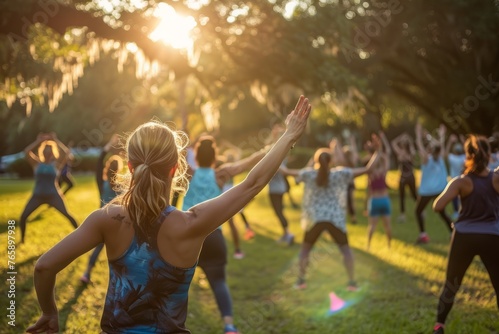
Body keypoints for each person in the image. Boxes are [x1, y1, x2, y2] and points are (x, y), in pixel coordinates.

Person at [26, 96, 311, 334]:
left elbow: (44, 267)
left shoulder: (107, 218)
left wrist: (50, 313)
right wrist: (288, 136)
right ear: (176, 168)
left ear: (129, 165)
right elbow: (253, 183)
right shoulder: (193, 223)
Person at [182, 135, 269, 333]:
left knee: (178, 284)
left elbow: (174, 155)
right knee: (219, 282)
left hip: (188, 236)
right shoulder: (221, 175)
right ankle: (229, 326)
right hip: (213, 237)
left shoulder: (188, 173)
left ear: (196, 155)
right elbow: (249, 162)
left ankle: (168, 324)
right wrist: (272, 147)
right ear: (215, 156)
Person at [284, 139, 380, 293]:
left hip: (314, 219)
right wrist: (378, 151)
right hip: (335, 219)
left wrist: (275, 151)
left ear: (315, 160)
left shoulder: (308, 174)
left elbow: (285, 172)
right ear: (332, 160)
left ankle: (301, 281)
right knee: (345, 250)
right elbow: (368, 169)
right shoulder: (340, 174)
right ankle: (352, 282)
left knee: (305, 250)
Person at [431, 135, 499, 334]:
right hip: (492, 238)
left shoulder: (461, 182)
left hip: (464, 237)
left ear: (467, 156)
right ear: (488, 155)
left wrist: (452, 223)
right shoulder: (496, 179)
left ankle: (439, 326)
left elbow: (438, 205)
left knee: (451, 284)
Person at [19, 132, 78, 244]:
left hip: (53, 196)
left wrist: (55, 140)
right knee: (23, 217)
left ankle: (81, 236)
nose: (47, 152)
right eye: (45, 149)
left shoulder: (56, 164)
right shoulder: (36, 163)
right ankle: (22, 241)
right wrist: (39, 141)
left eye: (49, 150)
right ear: (42, 151)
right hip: (37, 196)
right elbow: (26, 152)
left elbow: (66, 152)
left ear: (52, 153)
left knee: (67, 215)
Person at [80, 135, 123, 284]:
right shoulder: (122, 187)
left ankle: (86, 273)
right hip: (118, 224)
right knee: (119, 253)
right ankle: (119, 280)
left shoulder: (102, 183)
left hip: (102, 222)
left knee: (98, 248)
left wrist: (107, 148)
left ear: (107, 168)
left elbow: (98, 164)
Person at [414, 123, 453, 244]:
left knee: (418, 211)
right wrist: (442, 135)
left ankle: (423, 235)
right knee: (442, 213)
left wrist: (418, 134)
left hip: (427, 191)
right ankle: (454, 232)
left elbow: (420, 146)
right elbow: (439, 146)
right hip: (439, 190)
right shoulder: (440, 158)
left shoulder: (426, 159)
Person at [267, 124, 295, 245]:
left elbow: (273, 148)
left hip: (276, 189)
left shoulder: (279, 157)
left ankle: (288, 234)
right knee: (280, 211)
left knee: (278, 211)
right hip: (279, 187)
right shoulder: (283, 154)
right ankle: (286, 234)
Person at [366, 132, 392, 250]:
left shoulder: (370, 173)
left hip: (374, 200)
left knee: (372, 225)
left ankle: (368, 245)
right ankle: (389, 246)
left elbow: (368, 191)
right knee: (387, 225)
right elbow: (387, 157)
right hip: (385, 199)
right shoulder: (383, 171)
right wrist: (380, 146)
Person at [391, 132, 417, 222]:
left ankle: (420, 210)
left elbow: (393, 143)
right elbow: (393, 143)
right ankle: (402, 215)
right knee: (402, 196)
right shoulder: (401, 152)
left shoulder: (409, 153)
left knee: (414, 194)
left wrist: (407, 138)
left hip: (409, 176)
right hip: (403, 177)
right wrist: (402, 136)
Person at [445, 134, 466, 220]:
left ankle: (456, 212)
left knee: (454, 198)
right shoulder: (463, 158)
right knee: (463, 196)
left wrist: (450, 142)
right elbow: (468, 152)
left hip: (453, 180)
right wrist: (463, 141)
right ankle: (463, 211)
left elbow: (445, 153)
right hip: (462, 179)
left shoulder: (452, 158)